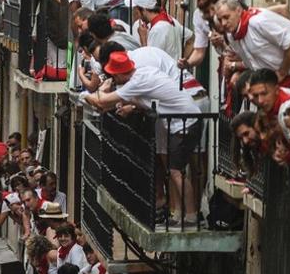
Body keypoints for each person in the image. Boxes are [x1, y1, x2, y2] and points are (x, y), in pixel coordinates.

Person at [84, 50, 202, 223]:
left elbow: (102, 101)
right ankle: (178, 214)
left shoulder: (139, 80)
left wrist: (91, 93)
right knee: (173, 169)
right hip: (180, 121)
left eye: (114, 77)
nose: (114, 81)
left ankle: (191, 215)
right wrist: (129, 105)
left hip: (187, 122)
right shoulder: (143, 74)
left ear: (121, 74)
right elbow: (145, 102)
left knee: (177, 171)